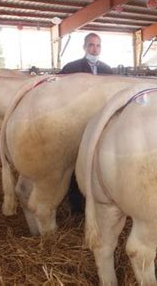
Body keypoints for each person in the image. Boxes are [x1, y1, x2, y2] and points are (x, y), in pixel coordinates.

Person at [59, 32, 113, 214]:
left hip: (100, 121)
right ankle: (76, 206)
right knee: (76, 161)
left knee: (97, 163)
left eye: (97, 46)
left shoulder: (108, 70)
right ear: (84, 47)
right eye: (91, 45)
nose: (94, 49)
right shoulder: (71, 68)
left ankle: (99, 202)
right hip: (77, 122)